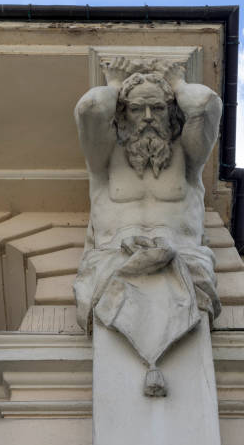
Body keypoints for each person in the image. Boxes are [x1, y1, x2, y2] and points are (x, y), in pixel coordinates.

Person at [73, 57, 222, 395]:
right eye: (139, 109)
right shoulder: (104, 161)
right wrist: (114, 86)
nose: (149, 118)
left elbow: (206, 103)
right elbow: (91, 108)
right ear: (123, 114)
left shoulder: (188, 159)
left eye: (157, 107)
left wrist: (178, 85)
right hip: (113, 264)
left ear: (171, 111)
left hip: (184, 264)